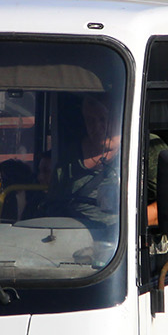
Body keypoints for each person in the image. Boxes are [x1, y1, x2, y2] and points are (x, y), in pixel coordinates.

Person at [48, 93, 123, 231]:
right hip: (74, 237)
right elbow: (54, 204)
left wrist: (128, 221)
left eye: (103, 119)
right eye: (90, 120)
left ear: (121, 117)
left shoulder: (144, 148)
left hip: (123, 238)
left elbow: (166, 207)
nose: (97, 126)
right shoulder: (69, 158)